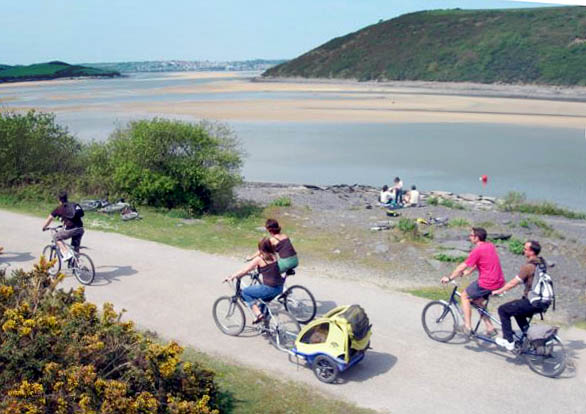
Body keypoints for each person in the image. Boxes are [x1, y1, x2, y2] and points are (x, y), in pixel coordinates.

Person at [441, 227, 505, 336]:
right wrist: (469, 272)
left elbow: (462, 266)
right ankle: (490, 328)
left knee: (464, 296)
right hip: (499, 281)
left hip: (488, 282)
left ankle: (467, 327)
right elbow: (481, 261)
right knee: (477, 301)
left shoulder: (477, 250)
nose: (469, 237)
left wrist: (450, 278)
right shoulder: (490, 246)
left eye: (471, 235)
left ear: (477, 237)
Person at [492, 241, 548, 351]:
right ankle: (532, 340)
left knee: (503, 310)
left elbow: (514, 282)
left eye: (525, 249)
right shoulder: (541, 264)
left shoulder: (529, 267)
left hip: (532, 301)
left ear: (532, 251)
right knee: (518, 313)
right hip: (541, 302)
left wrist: (499, 291)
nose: (523, 250)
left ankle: (508, 341)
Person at [226, 237, 284, 323]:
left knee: (245, 292)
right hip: (279, 288)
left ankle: (258, 314)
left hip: (269, 289)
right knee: (263, 301)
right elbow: (268, 268)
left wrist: (232, 276)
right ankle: (265, 323)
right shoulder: (274, 256)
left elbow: (245, 270)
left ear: (260, 249)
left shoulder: (259, 259)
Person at [42, 191, 84, 261]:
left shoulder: (59, 208)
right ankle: (77, 266)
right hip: (80, 229)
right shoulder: (73, 205)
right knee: (75, 248)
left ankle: (66, 253)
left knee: (56, 237)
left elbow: (50, 218)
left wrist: (44, 227)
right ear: (66, 198)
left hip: (70, 229)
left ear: (59, 199)